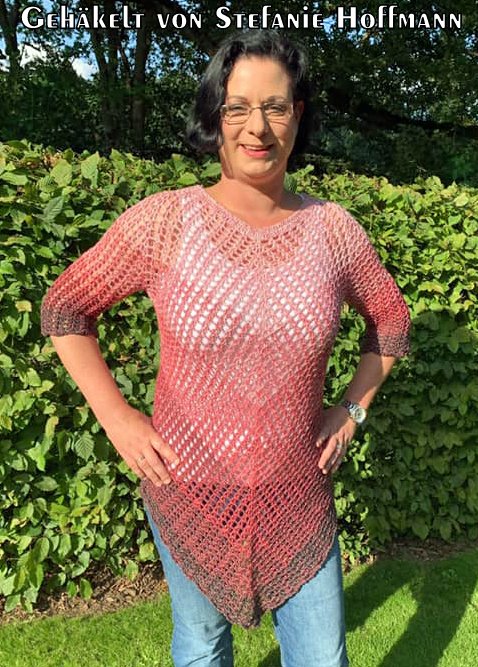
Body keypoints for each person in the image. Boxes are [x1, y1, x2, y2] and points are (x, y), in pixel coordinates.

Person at [41, 30, 411, 667]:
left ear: (298, 114)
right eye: (238, 107)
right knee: (202, 646)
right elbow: (65, 309)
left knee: (323, 657)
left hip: (297, 490)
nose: (257, 127)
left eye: (275, 107)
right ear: (215, 114)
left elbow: (392, 321)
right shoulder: (166, 222)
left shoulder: (332, 231)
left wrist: (352, 409)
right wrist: (118, 416)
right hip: (187, 487)